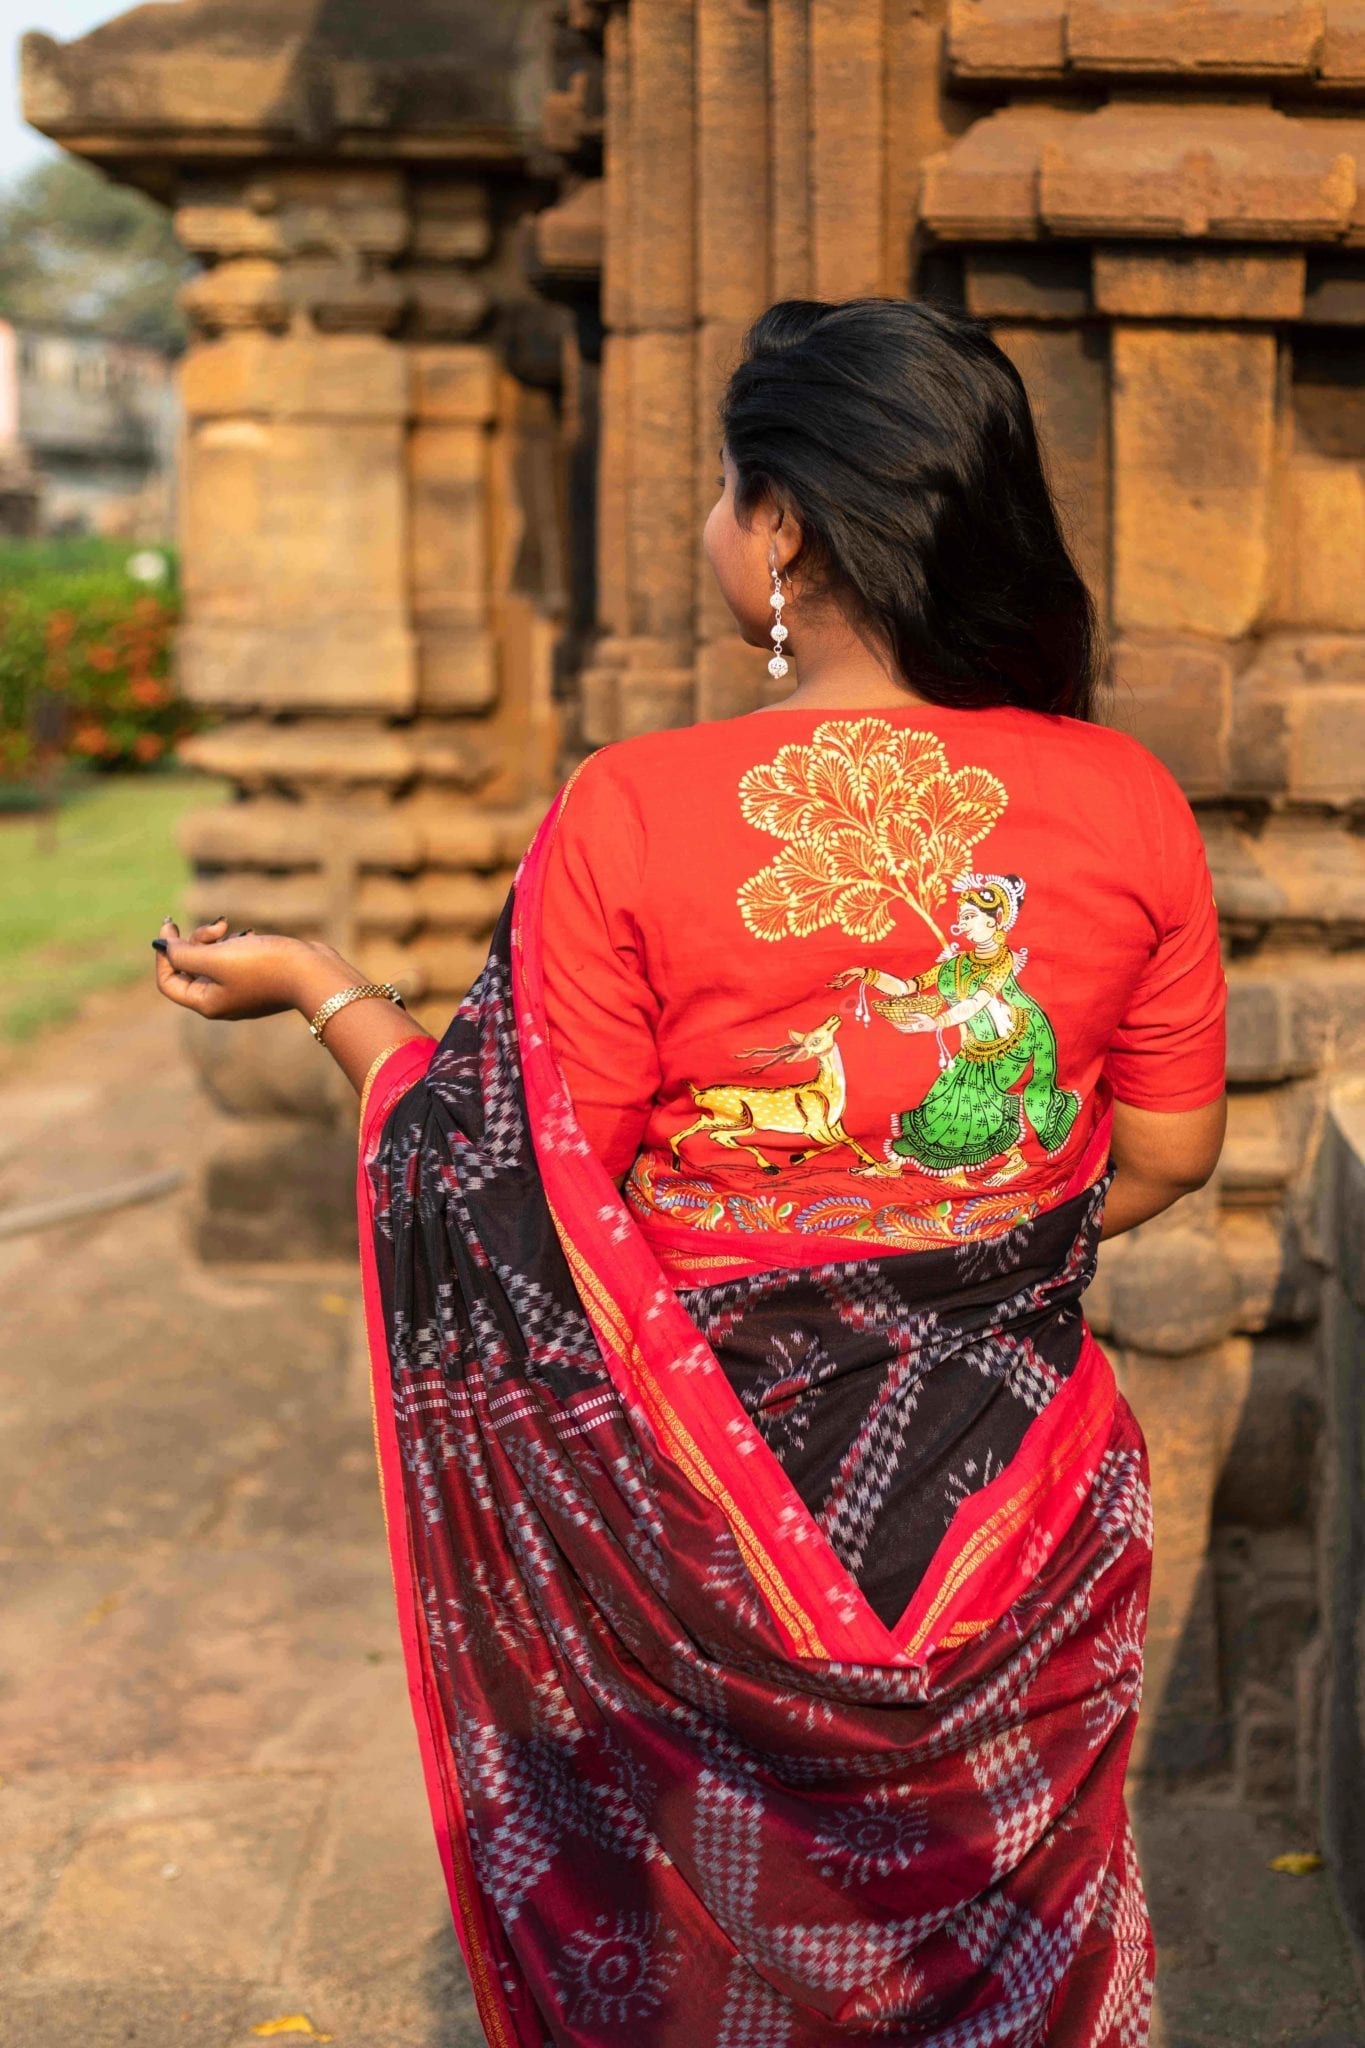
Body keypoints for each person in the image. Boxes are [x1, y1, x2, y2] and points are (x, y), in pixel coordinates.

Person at [152, 297, 1226, 2048]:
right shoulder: (1126, 801)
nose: (705, 530)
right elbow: (1171, 1146)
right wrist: (947, 1251)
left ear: (787, 523)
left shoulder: (633, 810)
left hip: (701, 1526)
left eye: (720, 493)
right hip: (1013, 1499)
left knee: (723, 1954)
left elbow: (510, 1186)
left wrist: (323, 993)